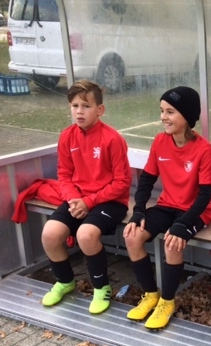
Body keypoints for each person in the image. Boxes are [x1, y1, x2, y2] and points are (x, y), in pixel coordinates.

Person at [123, 86, 211, 330]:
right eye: (162, 111)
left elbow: (205, 196)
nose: (163, 117)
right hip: (168, 205)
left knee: (172, 241)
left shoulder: (204, 148)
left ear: (187, 116)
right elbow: (146, 181)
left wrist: (182, 223)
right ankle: (150, 295)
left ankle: (167, 301)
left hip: (196, 210)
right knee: (132, 236)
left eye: (170, 112)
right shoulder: (159, 141)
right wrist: (139, 211)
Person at [41, 80, 131, 314]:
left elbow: (122, 183)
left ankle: (101, 288)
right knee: (50, 234)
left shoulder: (112, 139)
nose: (79, 111)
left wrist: (88, 202)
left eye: (86, 106)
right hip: (77, 200)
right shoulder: (67, 136)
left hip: (111, 201)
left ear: (100, 110)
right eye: (75, 106)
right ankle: (65, 281)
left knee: (86, 234)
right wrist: (73, 200)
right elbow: (64, 174)